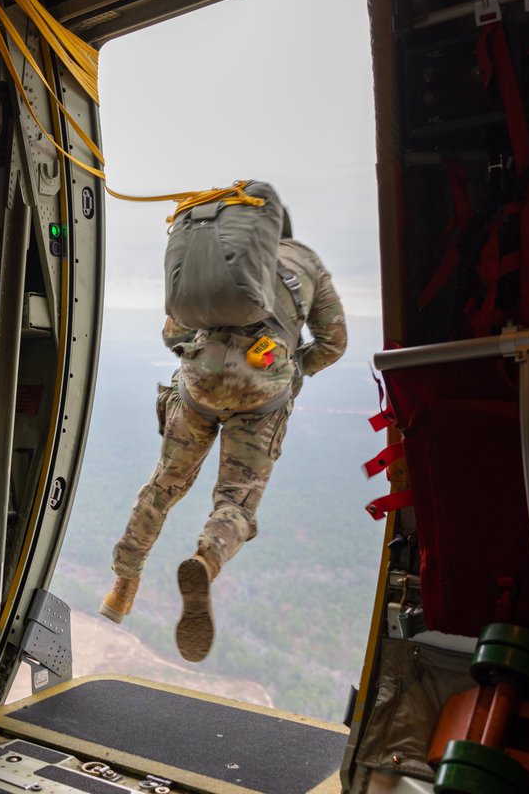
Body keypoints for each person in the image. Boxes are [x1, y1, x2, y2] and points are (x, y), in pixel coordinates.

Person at [100, 219, 347, 663]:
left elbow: (173, 333)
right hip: (263, 389)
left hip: (201, 383)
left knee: (163, 487)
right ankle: (206, 559)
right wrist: (290, 370)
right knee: (236, 503)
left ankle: (123, 586)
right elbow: (334, 343)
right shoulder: (307, 262)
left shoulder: (216, 259)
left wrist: (206, 360)